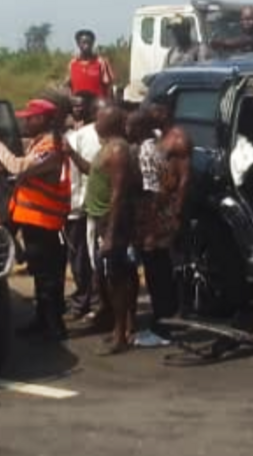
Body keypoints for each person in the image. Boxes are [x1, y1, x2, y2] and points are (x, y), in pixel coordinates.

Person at [0, 99, 70, 341]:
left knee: (48, 277)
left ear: (42, 119)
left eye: (30, 118)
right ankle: (42, 321)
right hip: (34, 221)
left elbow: (19, 167)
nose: (25, 122)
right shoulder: (39, 142)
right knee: (40, 274)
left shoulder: (50, 146)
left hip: (46, 223)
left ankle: (54, 327)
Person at [131, 102, 191, 328]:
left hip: (164, 210)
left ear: (165, 113)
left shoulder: (178, 138)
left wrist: (175, 212)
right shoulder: (158, 139)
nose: (150, 113)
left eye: (154, 110)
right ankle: (163, 313)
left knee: (162, 265)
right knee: (155, 264)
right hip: (156, 208)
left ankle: (168, 314)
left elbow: (183, 179)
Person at [84, 106, 137, 354]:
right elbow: (94, 173)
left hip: (112, 220)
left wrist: (110, 234)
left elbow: (118, 194)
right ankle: (121, 327)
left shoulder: (117, 150)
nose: (95, 122)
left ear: (110, 123)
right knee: (111, 276)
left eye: (99, 118)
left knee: (117, 278)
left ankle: (120, 335)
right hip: (102, 219)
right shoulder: (107, 147)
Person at [63, 93, 105, 320]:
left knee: (91, 258)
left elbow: (78, 175)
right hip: (87, 206)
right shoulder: (81, 136)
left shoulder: (81, 137)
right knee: (86, 257)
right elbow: (75, 175)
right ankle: (88, 301)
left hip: (92, 208)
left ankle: (92, 302)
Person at [67, 29, 115, 100]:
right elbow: (68, 85)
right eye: (83, 43)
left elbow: (108, 86)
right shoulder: (73, 63)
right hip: (77, 102)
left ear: (93, 43)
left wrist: (109, 102)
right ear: (78, 44)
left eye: (89, 43)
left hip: (97, 102)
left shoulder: (101, 62)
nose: (86, 46)